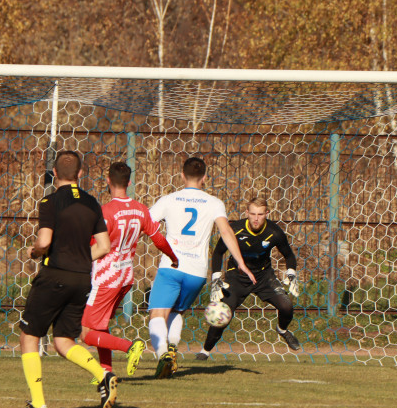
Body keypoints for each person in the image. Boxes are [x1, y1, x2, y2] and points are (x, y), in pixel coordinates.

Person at [16, 150, 115, 408]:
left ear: (55, 174)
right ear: (81, 173)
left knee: (29, 336)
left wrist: (34, 251)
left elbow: (45, 241)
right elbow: (104, 246)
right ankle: (103, 375)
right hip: (82, 279)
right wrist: (81, 259)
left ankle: (38, 403)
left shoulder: (50, 202)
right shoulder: (93, 203)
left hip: (55, 276)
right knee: (63, 340)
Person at [147, 156, 254, 378]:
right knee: (177, 311)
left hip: (171, 266)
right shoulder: (214, 203)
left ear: (182, 175)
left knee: (158, 313)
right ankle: (173, 350)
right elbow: (226, 232)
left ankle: (162, 355)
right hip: (196, 272)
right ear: (205, 178)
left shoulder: (169, 199)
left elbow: (147, 224)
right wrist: (241, 263)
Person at [81, 162, 179, 379]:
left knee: (85, 333)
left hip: (106, 278)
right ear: (129, 182)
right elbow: (159, 239)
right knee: (101, 327)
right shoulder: (141, 209)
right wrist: (173, 257)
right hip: (126, 277)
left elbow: (91, 244)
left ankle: (129, 346)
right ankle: (105, 374)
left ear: (107, 180)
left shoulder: (105, 212)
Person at [197, 196, 302, 358]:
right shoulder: (236, 229)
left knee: (286, 306)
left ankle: (282, 330)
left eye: (260, 214)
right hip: (237, 277)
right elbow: (218, 252)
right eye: (252, 214)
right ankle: (205, 351)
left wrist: (292, 272)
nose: (256, 218)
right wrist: (216, 276)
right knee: (222, 314)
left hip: (264, 276)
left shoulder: (274, 232)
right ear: (246, 212)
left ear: (267, 213)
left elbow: (289, 255)